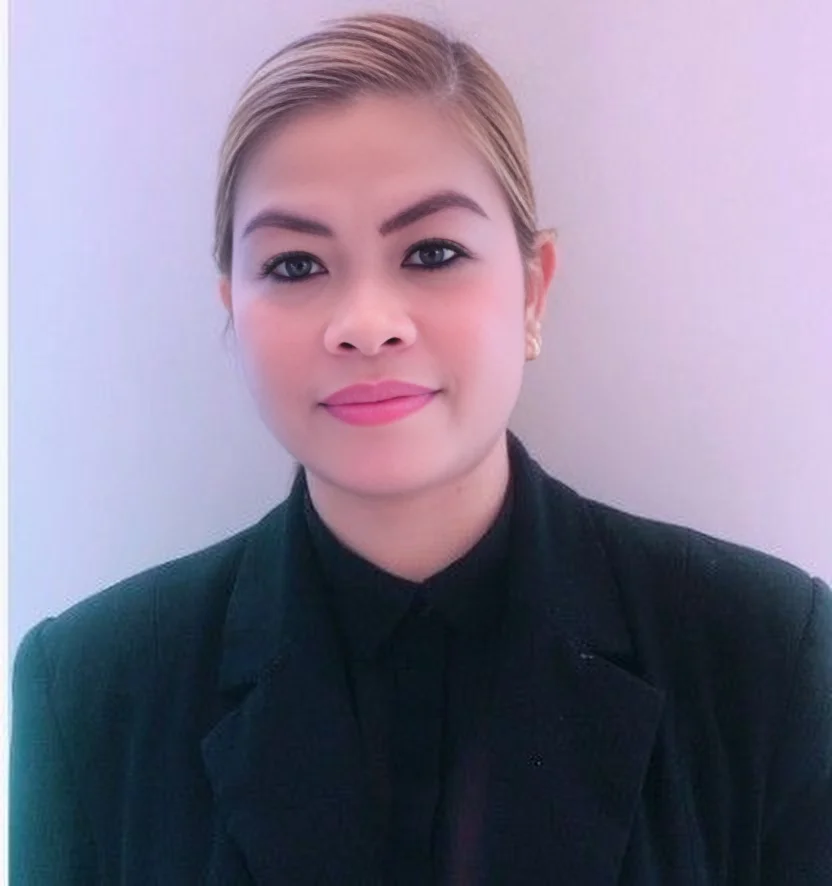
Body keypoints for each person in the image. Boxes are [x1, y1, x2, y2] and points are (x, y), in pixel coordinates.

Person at [10, 11, 832, 885]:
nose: (366, 324)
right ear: (232, 310)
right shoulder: (90, 693)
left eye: (432, 252)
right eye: (294, 265)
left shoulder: (764, 657)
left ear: (533, 290)